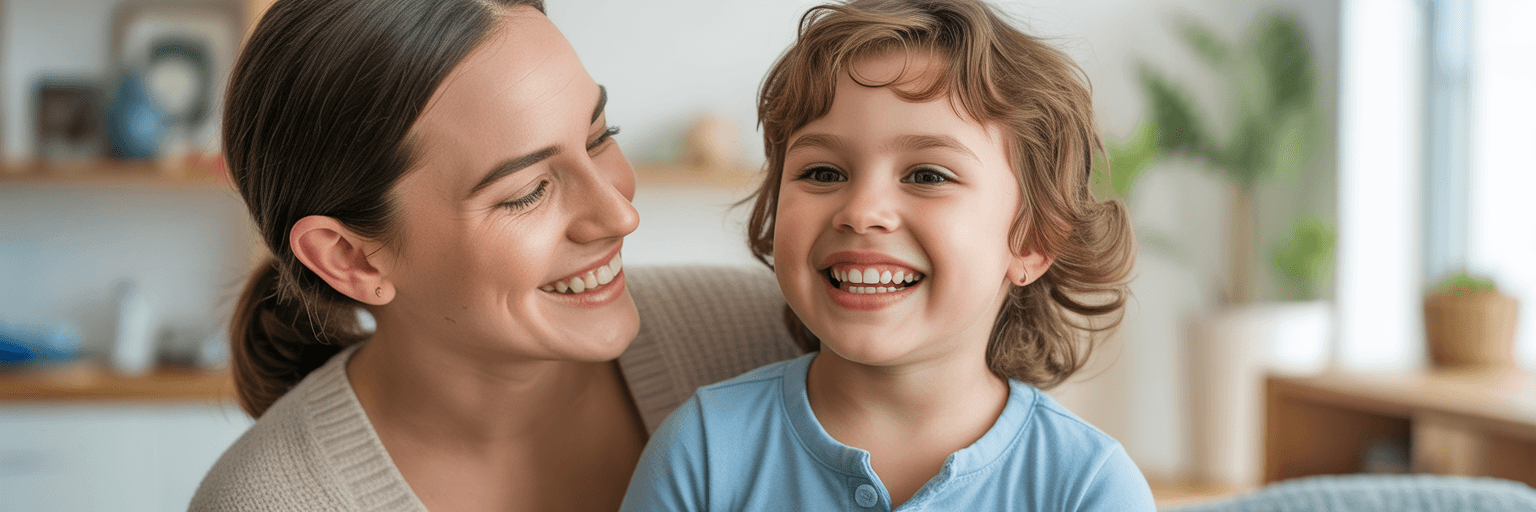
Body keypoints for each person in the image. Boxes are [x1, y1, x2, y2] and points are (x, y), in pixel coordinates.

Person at [191, 0, 796, 510]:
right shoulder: (266, 500)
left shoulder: (774, 340)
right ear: (352, 258)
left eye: (599, 138)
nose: (620, 215)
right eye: (527, 192)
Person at [620, 0, 1153, 510]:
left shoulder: (1087, 487)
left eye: (927, 176)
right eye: (823, 173)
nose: (861, 210)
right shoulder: (703, 453)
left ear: (1033, 241)